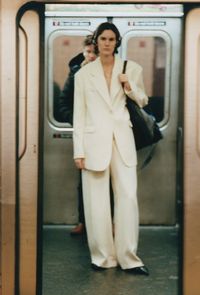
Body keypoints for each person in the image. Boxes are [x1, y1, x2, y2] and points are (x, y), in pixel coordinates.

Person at [73, 22, 149, 275]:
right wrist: (78, 151)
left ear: (117, 42)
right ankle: (102, 257)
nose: (107, 43)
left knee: (128, 197)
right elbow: (79, 115)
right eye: (103, 39)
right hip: (94, 141)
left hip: (122, 139)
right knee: (95, 202)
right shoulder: (83, 75)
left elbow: (143, 100)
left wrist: (129, 86)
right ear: (96, 41)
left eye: (112, 39)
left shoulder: (132, 68)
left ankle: (129, 258)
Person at [58, 35, 96, 235]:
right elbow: (62, 104)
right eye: (88, 52)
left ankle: (111, 222)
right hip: (85, 134)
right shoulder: (75, 74)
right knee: (84, 180)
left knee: (111, 180)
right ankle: (83, 221)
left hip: (106, 133)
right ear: (83, 52)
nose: (91, 56)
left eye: (94, 52)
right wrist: (78, 119)